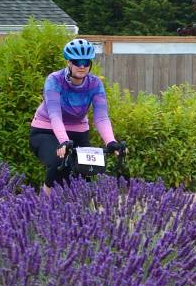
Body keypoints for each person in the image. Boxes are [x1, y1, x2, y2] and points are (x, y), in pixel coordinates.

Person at [29, 38, 125, 193]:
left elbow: (101, 117)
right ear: (69, 62)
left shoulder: (95, 84)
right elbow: (55, 115)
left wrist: (111, 141)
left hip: (78, 131)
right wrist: (64, 141)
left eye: (86, 62)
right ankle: (43, 205)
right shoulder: (54, 80)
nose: (81, 66)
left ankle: (79, 211)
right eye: (77, 61)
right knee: (58, 162)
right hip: (46, 130)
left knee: (86, 171)